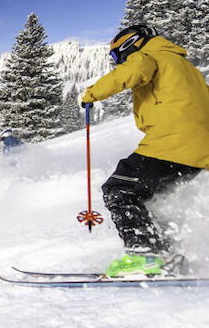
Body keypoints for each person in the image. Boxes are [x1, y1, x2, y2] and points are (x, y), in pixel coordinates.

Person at [81, 24, 209, 277]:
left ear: (131, 44)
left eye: (118, 56)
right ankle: (166, 255)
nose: (118, 62)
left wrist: (91, 94)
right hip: (199, 149)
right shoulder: (186, 67)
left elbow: (133, 71)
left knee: (119, 189)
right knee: (152, 199)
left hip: (173, 141)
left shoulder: (149, 55)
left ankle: (144, 255)